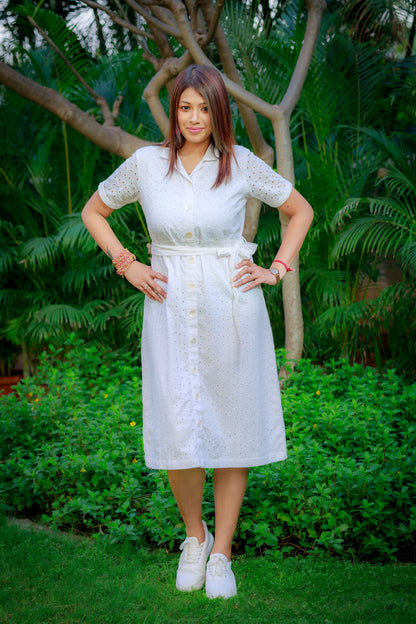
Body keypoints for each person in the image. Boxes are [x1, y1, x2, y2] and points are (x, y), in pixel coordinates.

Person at [81, 64, 313, 599]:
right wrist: (127, 263)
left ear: (218, 113)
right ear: (174, 112)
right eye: (185, 106)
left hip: (231, 306)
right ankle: (194, 536)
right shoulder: (145, 165)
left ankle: (223, 553)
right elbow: (94, 212)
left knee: (231, 429)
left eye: (204, 108)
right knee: (178, 429)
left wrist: (275, 269)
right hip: (167, 307)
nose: (193, 117)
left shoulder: (241, 165)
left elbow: (299, 212)